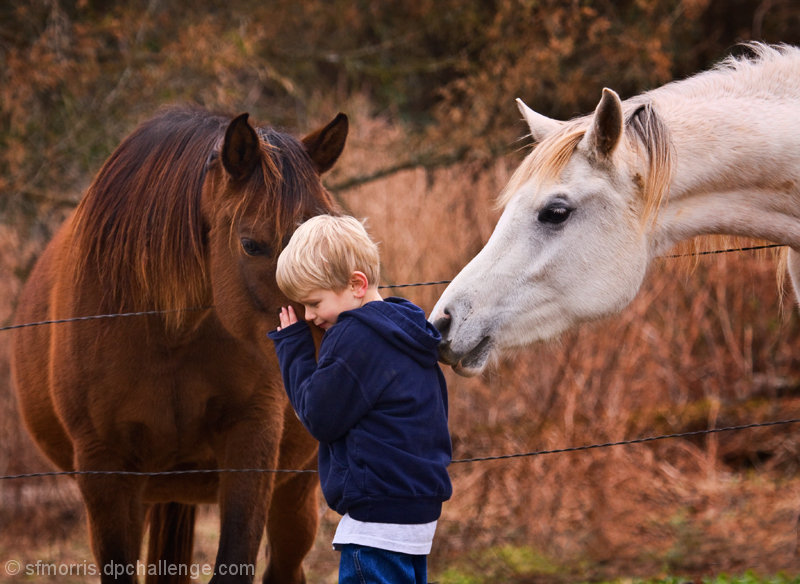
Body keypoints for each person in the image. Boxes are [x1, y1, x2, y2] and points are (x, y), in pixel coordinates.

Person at [267, 214, 452, 584]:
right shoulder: (407, 331)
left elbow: (318, 416)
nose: (308, 316)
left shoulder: (354, 337)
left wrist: (294, 349)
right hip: (416, 518)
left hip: (374, 525)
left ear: (356, 284)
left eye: (314, 302)